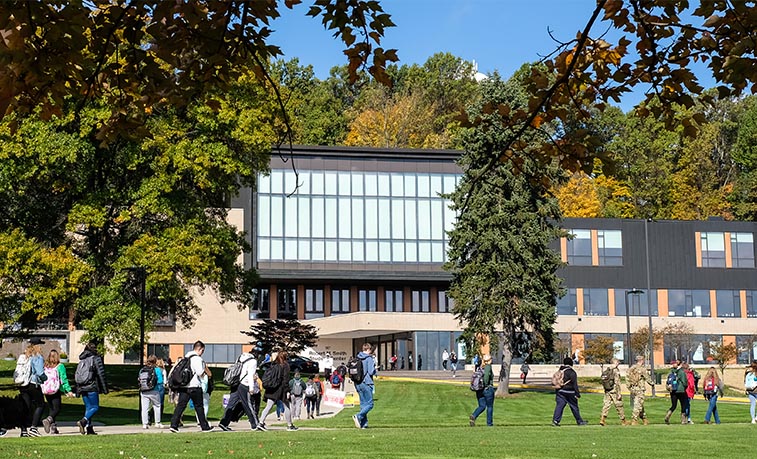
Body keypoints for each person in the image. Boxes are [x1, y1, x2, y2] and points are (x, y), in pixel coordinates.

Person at [169, 340, 213, 433]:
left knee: (180, 406)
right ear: (200, 349)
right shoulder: (197, 359)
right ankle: (204, 427)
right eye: (202, 351)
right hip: (194, 386)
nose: (202, 353)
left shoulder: (186, 357)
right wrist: (204, 368)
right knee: (199, 407)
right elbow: (200, 372)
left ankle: (174, 425)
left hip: (184, 386)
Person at [218, 345, 259, 431]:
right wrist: (251, 388)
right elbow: (251, 375)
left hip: (235, 383)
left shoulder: (241, 357)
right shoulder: (253, 361)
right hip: (244, 384)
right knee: (248, 404)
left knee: (231, 404)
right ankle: (255, 424)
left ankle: (224, 423)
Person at [258, 351, 297, 431]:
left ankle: (261, 422)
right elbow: (285, 380)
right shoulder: (285, 365)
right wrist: (288, 391)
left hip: (272, 388)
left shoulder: (273, 365)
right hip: (281, 389)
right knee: (287, 406)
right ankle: (289, 425)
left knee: (268, 406)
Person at [76, 342, 109, 435]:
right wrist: (105, 388)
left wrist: (78, 390)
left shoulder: (82, 360)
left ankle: (89, 428)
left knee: (88, 407)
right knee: (95, 407)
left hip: (82, 386)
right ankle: (83, 421)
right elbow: (101, 374)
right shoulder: (96, 359)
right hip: (92, 386)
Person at [41, 349, 74, 435]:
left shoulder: (46, 366)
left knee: (51, 408)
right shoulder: (60, 366)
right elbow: (63, 379)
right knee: (57, 408)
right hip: (55, 390)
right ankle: (48, 420)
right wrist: (68, 390)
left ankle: (53, 428)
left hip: (46, 390)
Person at [18, 338, 46, 437]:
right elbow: (40, 372)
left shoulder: (24, 356)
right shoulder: (37, 357)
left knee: (26, 407)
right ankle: (33, 428)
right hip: (33, 383)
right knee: (41, 405)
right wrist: (45, 378)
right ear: (38, 346)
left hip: (23, 383)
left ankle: (23, 430)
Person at [552, 357, 588, 427]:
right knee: (574, 407)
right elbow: (575, 384)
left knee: (559, 406)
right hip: (570, 392)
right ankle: (579, 421)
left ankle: (556, 420)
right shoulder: (572, 372)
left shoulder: (560, 371)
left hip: (560, 391)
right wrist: (577, 394)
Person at [352, 342, 377, 429]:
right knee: (370, 404)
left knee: (363, 404)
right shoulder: (369, 359)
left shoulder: (357, 358)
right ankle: (358, 416)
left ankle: (363, 424)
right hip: (366, 382)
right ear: (369, 349)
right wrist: (375, 370)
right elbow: (370, 371)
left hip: (357, 383)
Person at [626, 355, 654, 425]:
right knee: (638, 404)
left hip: (633, 388)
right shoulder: (642, 369)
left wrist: (629, 387)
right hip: (640, 388)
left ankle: (644, 419)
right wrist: (652, 384)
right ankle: (634, 419)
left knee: (640, 403)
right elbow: (647, 378)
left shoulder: (631, 368)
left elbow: (627, 377)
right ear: (642, 360)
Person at [469, 354, 495, 427]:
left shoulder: (479, 367)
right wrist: (486, 384)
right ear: (489, 360)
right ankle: (489, 424)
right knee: (490, 407)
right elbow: (486, 376)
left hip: (479, 390)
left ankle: (474, 415)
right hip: (487, 389)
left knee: (482, 406)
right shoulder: (488, 367)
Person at [600, 358, 627, 426]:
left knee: (606, 405)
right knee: (619, 405)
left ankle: (602, 419)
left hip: (607, 390)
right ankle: (623, 420)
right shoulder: (615, 370)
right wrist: (619, 393)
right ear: (615, 362)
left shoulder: (607, 369)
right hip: (614, 390)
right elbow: (617, 382)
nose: (618, 363)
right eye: (618, 362)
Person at [140, 355, 163, 429]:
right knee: (157, 406)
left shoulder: (142, 370)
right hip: (154, 390)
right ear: (155, 361)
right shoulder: (157, 370)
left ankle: (144, 424)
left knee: (144, 408)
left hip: (144, 390)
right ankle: (157, 422)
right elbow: (160, 381)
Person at [664, 359, 689, 425]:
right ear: (680, 364)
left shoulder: (671, 372)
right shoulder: (681, 372)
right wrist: (685, 387)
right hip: (680, 390)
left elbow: (668, 382)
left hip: (673, 390)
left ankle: (668, 415)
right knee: (683, 405)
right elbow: (685, 382)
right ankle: (683, 420)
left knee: (674, 405)